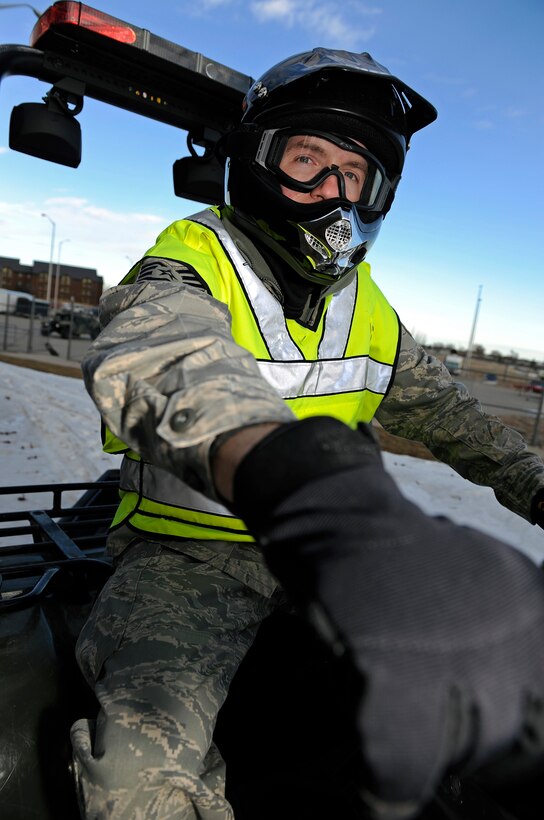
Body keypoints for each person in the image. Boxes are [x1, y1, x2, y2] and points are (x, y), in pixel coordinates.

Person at [71, 48, 544, 820]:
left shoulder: (372, 311)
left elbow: (465, 427)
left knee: (480, 709)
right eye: (306, 161)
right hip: (190, 564)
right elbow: (156, 354)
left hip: (329, 562)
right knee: (133, 783)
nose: (331, 193)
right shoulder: (192, 264)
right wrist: (306, 483)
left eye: (353, 176)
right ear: (257, 163)